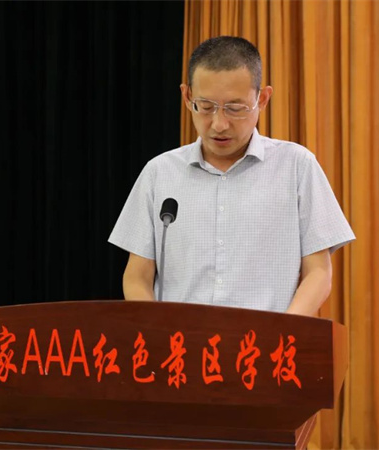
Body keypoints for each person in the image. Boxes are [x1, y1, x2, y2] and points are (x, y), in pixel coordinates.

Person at [108, 36, 354, 317]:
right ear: (187, 97)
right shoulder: (159, 173)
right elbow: (137, 277)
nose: (219, 124)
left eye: (235, 109)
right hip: (179, 342)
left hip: (265, 341)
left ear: (262, 99)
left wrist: (281, 332)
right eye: (206, 106)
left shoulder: (297, 167)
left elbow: (319, 273)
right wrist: (157, 331)